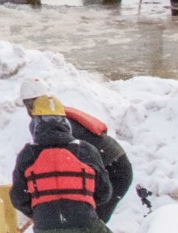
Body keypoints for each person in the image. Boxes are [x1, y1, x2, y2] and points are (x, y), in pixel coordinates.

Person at [18, 78, 132, 215]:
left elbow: (55, 162)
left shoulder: (49, 125)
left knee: (87, 219)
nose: (30, 108)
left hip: (114, 169)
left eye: (30, 104)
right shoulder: (58, 118)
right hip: (114, 164)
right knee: (83, 219)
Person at [11, 95, 114, 231]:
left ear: (35, 124)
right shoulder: (85, 150)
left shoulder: (27, 154)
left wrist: (42, 211)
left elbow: (18, 198)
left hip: (46, 226)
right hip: (85, 224)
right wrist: (80, 205)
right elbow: (104, 193)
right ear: (65, 122)